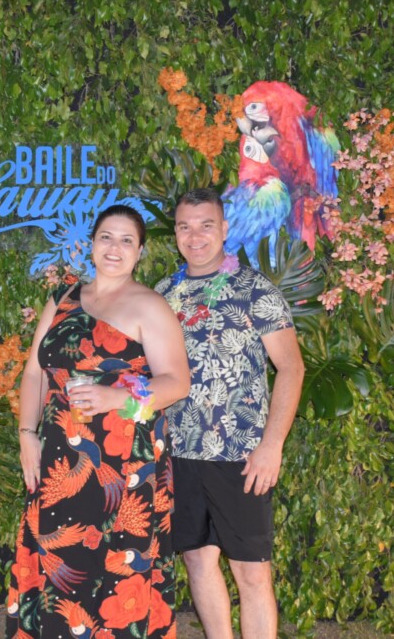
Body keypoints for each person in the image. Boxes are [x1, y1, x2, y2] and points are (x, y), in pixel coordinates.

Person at [6, 204, 191, 639]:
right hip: (58, 454)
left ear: (139, 252)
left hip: (123, 461)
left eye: (127, 240)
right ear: (91, 244)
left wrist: (116, 397)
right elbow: (34, 373)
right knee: (57, 559)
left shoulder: (150, 306)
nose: (115, 248)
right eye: (107, 237)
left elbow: (177, 383)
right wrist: (27, 434)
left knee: (113, 569)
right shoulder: (62, 299)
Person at [154, 189, 304, 639]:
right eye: (185, 227)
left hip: (241, 455)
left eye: (205, 225)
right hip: (180, 453)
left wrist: (272, 446)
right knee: (198, 561)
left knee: (252, 572)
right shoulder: (163, 294)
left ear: (223, 229)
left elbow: (291, 368)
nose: (194, 236)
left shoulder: (255, 290)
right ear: (176, 233)